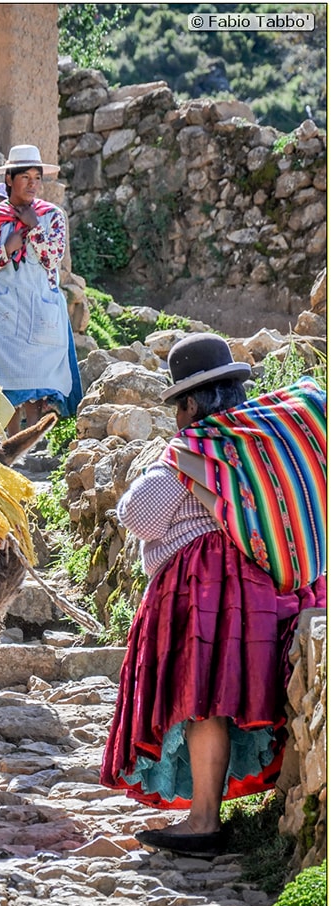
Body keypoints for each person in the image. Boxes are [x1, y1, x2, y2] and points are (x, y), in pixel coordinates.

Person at [100, 333, 327, 857]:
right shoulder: (260, 441)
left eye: (180, 404)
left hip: (208, 591)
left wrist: (162, 466)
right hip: (273, 588)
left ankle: (203, 821)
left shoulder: (193, 449)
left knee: (205, 701)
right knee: (232, 697)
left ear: (190, 403)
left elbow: (140, 515)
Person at [0, 144, 81, 435]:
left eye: (37, 177)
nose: (33, 184)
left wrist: (33, 228)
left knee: (36, 379)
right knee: (5, 380)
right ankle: (9, 441)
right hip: (2, 312)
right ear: (9, 179)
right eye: (26, 177)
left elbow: (52, 259)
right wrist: (5, 249)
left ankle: (31, 439)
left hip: (39, 308)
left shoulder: (52, 217)